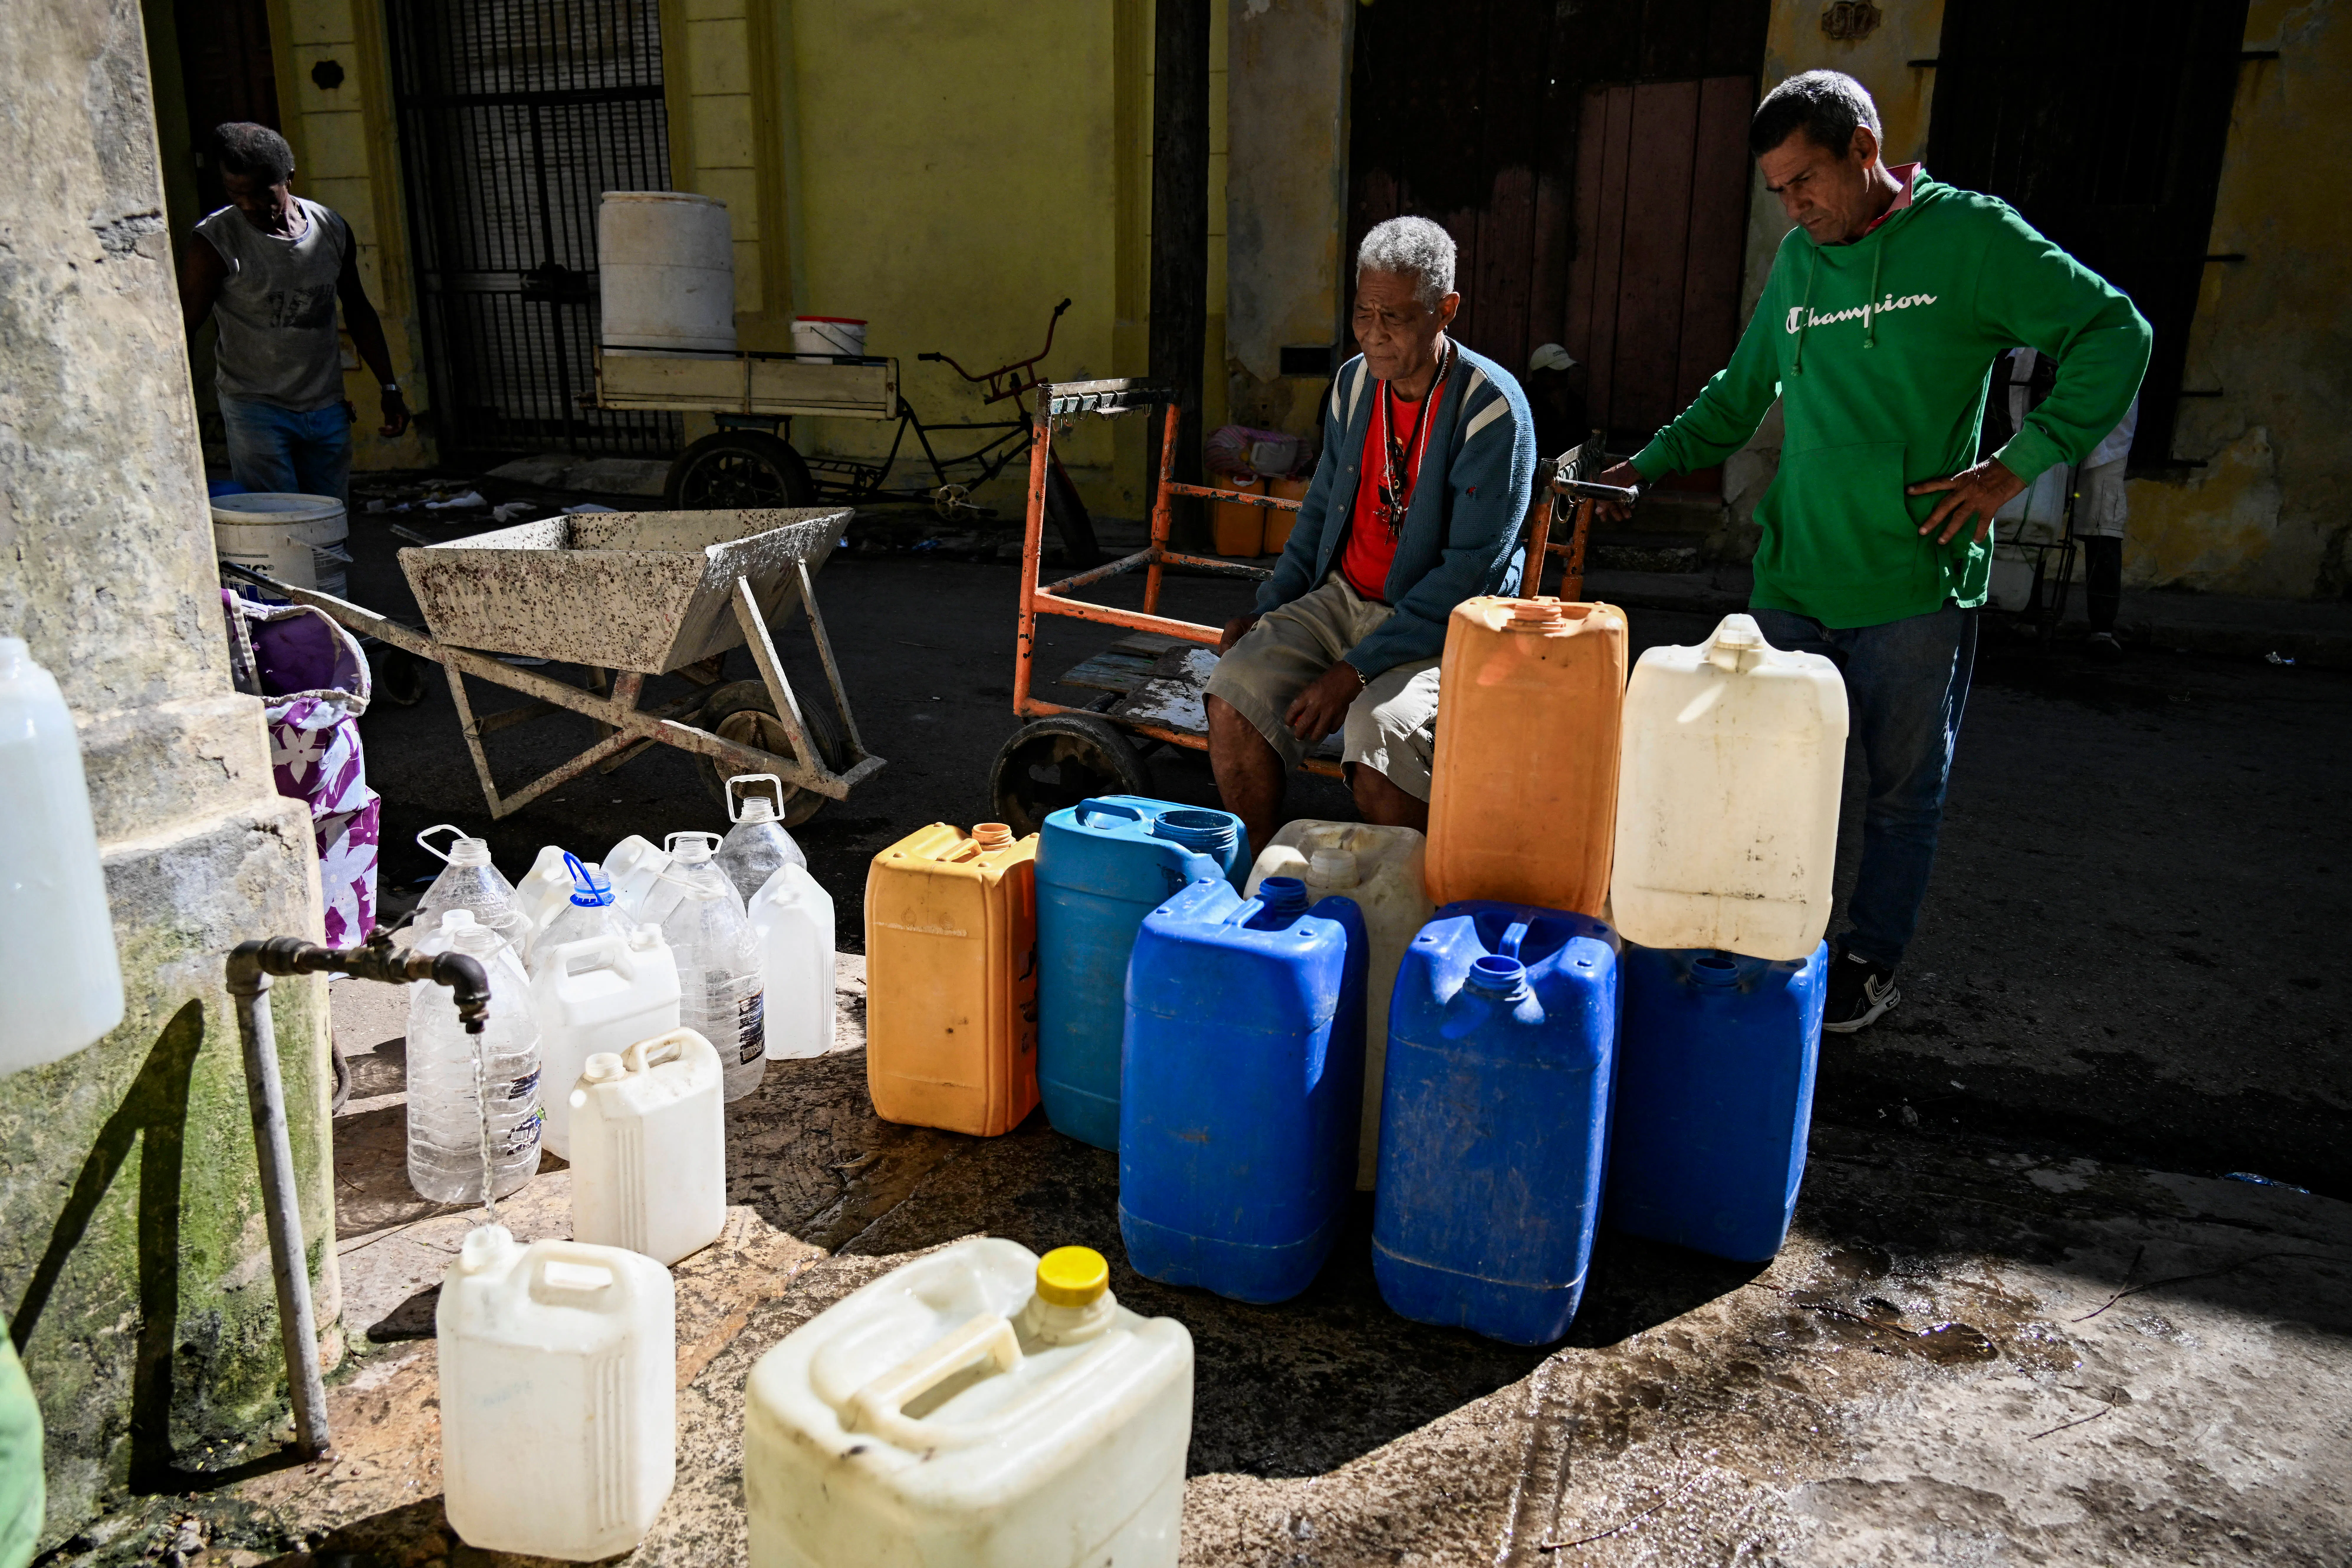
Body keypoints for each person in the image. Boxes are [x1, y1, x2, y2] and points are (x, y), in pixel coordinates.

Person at [1595, 71, 2149, 1032]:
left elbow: (2114, 329)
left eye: (1804, 180)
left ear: (1863, 148)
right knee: (1758, 773)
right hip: (1793, 577)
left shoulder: (1970, 237)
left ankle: (1866, 956)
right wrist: (1639, 468)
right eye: (1775, 190)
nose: (1791, 205)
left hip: (1910, 581)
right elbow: (1738, 395)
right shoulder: (1800, 263)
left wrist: (2011, 468)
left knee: (1898, 794)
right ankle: (1753, 936)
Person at [1205, 217, 1537, 851]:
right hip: (1343, 598)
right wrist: (1270, 608)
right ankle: (1265, 870)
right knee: (1234, 695)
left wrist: (1353, 672)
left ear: (1446, 311)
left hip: (1440, 623)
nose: (1375, 335)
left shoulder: (1490, 408)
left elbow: (1470, 574)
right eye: (1363, 313)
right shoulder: (1355, 384)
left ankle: (1417, 912)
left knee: (1379, 745)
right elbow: (1319, 509)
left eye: (1397, 318)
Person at [178, 122, 409, 503]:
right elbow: (184, 326)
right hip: (257, 412)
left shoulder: (331, 229)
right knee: (281, 530)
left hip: (326, 408)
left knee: (329, 526)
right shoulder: (215, 243)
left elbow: (358, 308)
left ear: (289, 177)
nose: (249, 206)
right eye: (236, 194)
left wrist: (390, 387)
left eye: (260, 194)